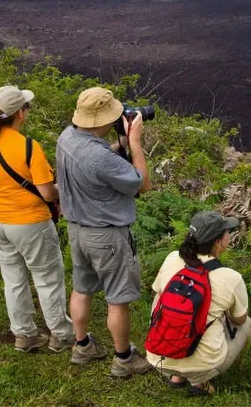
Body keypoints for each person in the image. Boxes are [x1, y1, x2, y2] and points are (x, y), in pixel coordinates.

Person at [55, 87, 153, 375]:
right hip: (107, 236)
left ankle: (82, 346)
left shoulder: (67, 137)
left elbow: (97, 160)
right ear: (101, 119)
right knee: (118, 299)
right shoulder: (100, 158)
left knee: (82, 289)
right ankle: (124, 359)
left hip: (77, 230)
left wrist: (118, 143)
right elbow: (142, 183)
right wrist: (134, 142)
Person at [0, 85, 75, 353]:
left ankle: (24, 334)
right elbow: (47, 192)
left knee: (14, 278)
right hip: (30, 222)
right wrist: (61, 190)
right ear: (19, 114)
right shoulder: (29, 147)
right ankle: (61, 334)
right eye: (26, 107)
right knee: (47, 278)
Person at [147, 211, 251, 396]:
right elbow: (239, 319)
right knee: (246, 323)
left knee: (161, 296)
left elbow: (159, 292)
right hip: (204, 365)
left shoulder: (172, 258)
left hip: (158, 358)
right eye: (227, 232)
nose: (230, 234)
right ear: (218, 242)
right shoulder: (231, 277)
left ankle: (176, 376)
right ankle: (200, 382)